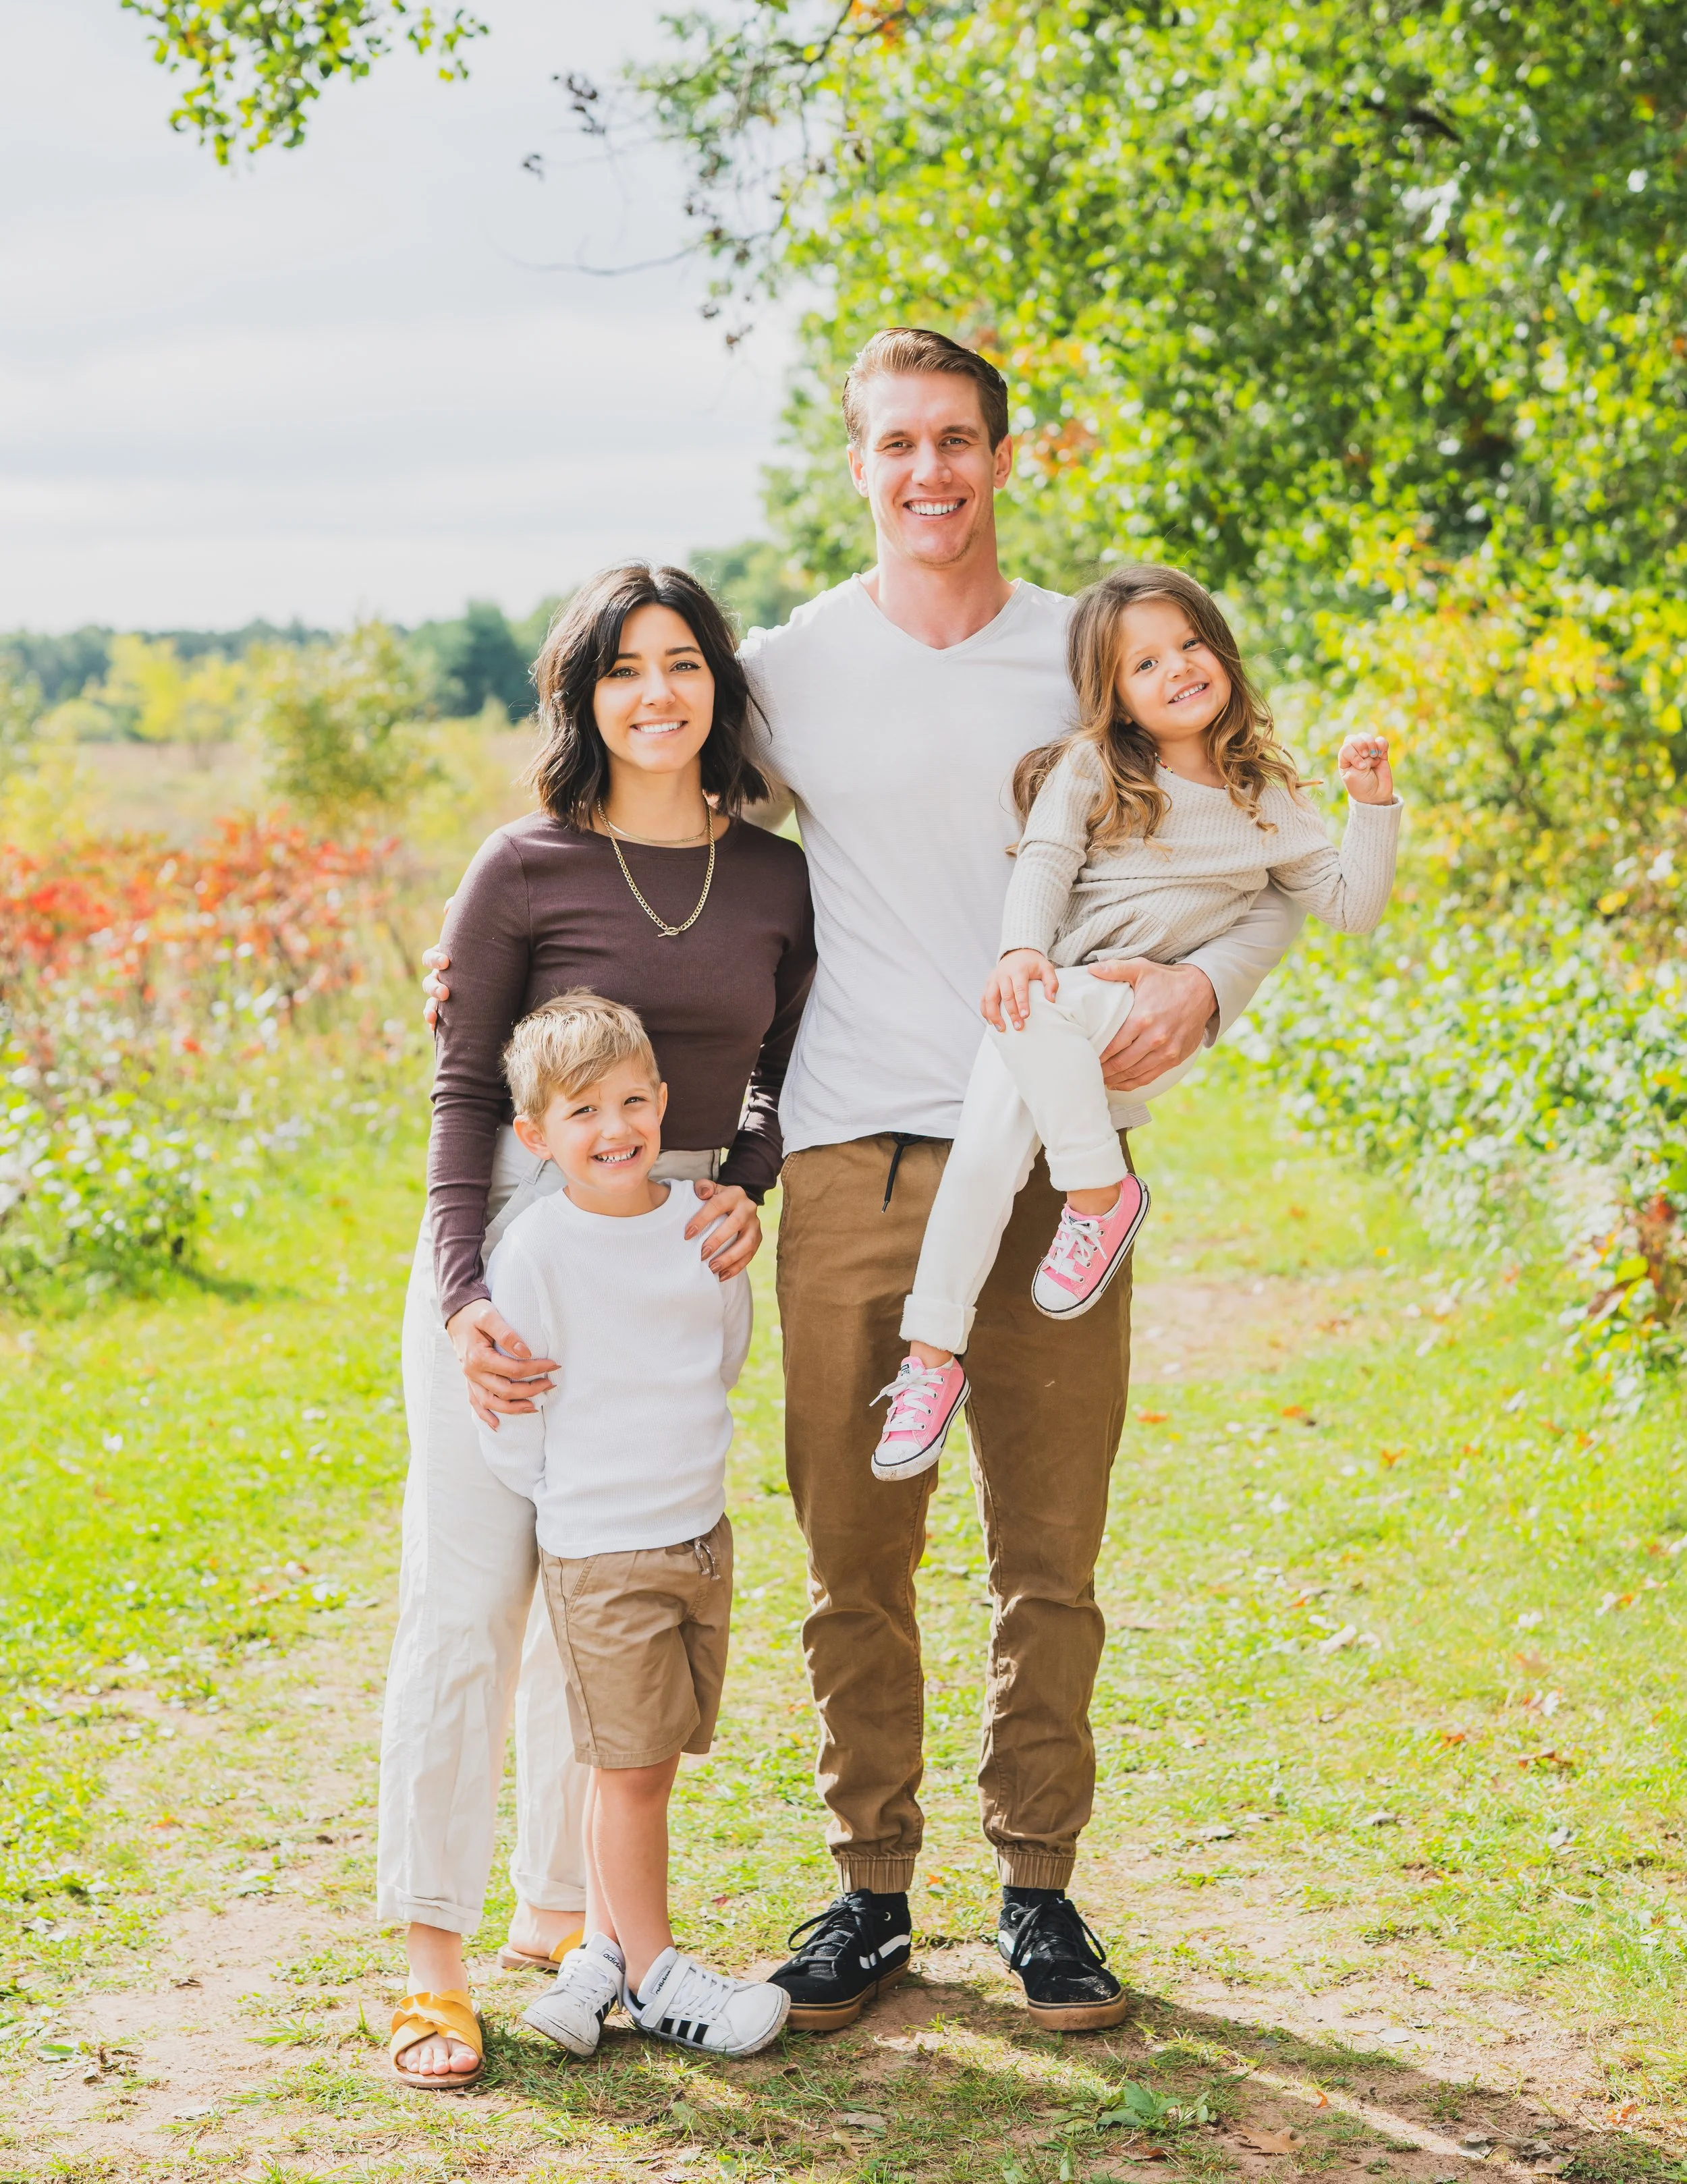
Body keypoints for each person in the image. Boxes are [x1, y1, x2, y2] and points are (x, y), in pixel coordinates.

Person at [424, 329, 1304, 2038]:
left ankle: (1039, 1892)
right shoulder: (792, 667)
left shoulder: (1078, 649)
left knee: (1049, 1548)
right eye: (896, 444)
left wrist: (1215, 985)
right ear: (857, 466)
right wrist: (519, 956)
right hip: (842, 1159)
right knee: (853, 1550)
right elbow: (653, 801)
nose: (928, 473)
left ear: (999, 454)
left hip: (1059, 1153)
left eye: (956, 441)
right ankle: (871, 1892)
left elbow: (1259, 825)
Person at [383, 564, 813, 2088]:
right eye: (622, 669)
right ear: (583, 699)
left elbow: (776, 1067)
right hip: (521, 1229)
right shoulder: (522, 869)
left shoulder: (770, 876)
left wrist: (748, 1183)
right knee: (473, 1594)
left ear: (717, 686)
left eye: (682, 662)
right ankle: (429, 1956)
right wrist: (464, 1291)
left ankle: (571, 1921)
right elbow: (457, 1096)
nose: (655, 693)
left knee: (613, 1575)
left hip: (682, 1243)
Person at [873, 563, 1399, 1479]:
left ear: (1220, 648)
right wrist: (1021, 951)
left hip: (1135, 1025)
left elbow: (1350, 907)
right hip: (1056, 1020)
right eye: (1145, 664)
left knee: (1039, 1013)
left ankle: (1096, 1194)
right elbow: (1043, 859)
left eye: (1190, 644)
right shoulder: (1097, 769)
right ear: (1114, 697)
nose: (1178, 669)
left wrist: (1373, 806)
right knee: (983, 1161)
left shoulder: (1263, 795)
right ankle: (930, 1357)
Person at [473, 991, 791, 2061]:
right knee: (631, 1771)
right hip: (604, 1549)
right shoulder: (538, 1251)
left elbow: (723, 1351)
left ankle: (597, 1959)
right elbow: (518, 1413)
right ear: (535, 1137)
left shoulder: (698, 1221)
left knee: (657, 1751)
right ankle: (658, 1977)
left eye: (632, 1101)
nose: (615, 1130)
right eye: (582, 1113)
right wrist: (574, 1506)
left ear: (662, 1102)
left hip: (698, 1532)